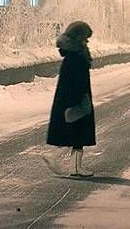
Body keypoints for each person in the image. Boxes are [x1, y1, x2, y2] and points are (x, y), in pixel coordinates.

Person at [45, 21, 95, 177]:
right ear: (78, 37)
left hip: (73, 100)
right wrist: (78, 102)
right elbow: (75, 83)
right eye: (85, 38)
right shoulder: (76, 58)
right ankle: (71, 165)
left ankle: (73, 165)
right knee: (78, 133)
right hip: (75, 102)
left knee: (75, 134)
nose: (87, 41)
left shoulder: (73, 55)